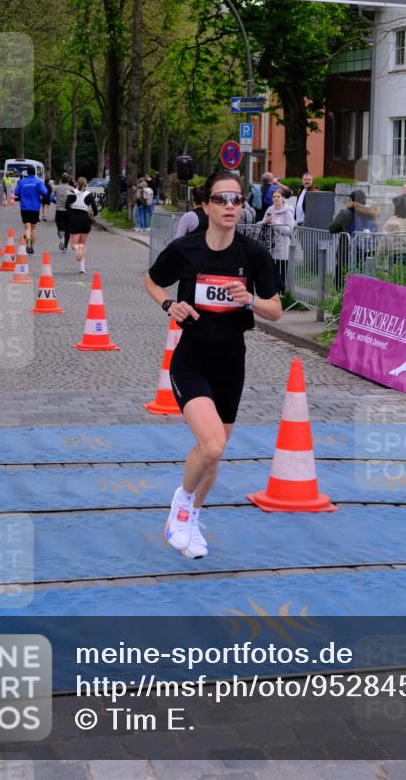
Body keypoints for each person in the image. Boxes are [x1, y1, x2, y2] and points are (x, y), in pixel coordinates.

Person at [144, 170, 282, 559]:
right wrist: (170, 304)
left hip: (231, 363)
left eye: (237, 199)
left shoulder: (253, 254)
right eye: (221, 199)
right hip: (191, 360)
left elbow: (276, 310)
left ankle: (191, 518)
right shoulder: (185, 249)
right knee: (212, 444)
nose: (230, 206)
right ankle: (181, 505)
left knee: (214, 455)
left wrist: (249, 299)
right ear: (204, 205)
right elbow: (152, 282)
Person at [329, 189, 380, 287]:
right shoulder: (371, 214)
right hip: (366, 250)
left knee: (341, 271)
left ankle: (339, 296)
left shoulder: (346, 212)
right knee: (361, 274)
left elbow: (332, 228)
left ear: (351, 199)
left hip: (347, 249)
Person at [262, 187, 296, 292]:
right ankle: (272, 295)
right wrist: (265, 222)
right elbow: (261, 224)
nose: (276, 199)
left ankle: (282, 295)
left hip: (283, 248)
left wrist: (275, 223)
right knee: (271, 273)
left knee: (281, 274)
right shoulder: (269, 209)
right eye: (274, 197)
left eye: (278, 197)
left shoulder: (288, 212)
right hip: (270, 247)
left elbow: (289, 230)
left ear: (283, 198)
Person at [65, 177, 98, 274]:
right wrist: (93, 214)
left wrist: (72, 212)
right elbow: (95, 209)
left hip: (74, 219)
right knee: (82, 245)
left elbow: (66, 206)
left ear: (76, 184)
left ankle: (77, 248)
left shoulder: (72, 192)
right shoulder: (89, 195)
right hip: (85, 219)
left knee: (73, 245)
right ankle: (82, 268)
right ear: (86, 184)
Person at [14, 166, 47, 255]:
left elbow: (16, 193)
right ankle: (31, 248)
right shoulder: (38, 182)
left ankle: (27, 238)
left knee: (27, 227)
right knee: (33, 228)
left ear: (27, 173)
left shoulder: (21, 182)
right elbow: (45, 192)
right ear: (35, 172)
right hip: (35, 207)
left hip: (24, 207)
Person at [52, 172, 76, 252]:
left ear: (61, 179)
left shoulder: (56, 188)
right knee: (68, 229)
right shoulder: (71, 189)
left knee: (60, 228)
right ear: (68, 179)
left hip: (59, 211)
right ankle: (65, 247)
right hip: (69, 211)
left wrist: (56, 201)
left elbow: (51, 198)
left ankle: (61, 239)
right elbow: (74, 199)